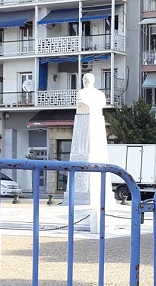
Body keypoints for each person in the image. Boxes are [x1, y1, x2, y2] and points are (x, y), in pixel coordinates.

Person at [67, 73, 111, 206]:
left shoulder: (84, 93)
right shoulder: (99, 94)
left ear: (84, 80)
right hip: (84, 117)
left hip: (93, 117)